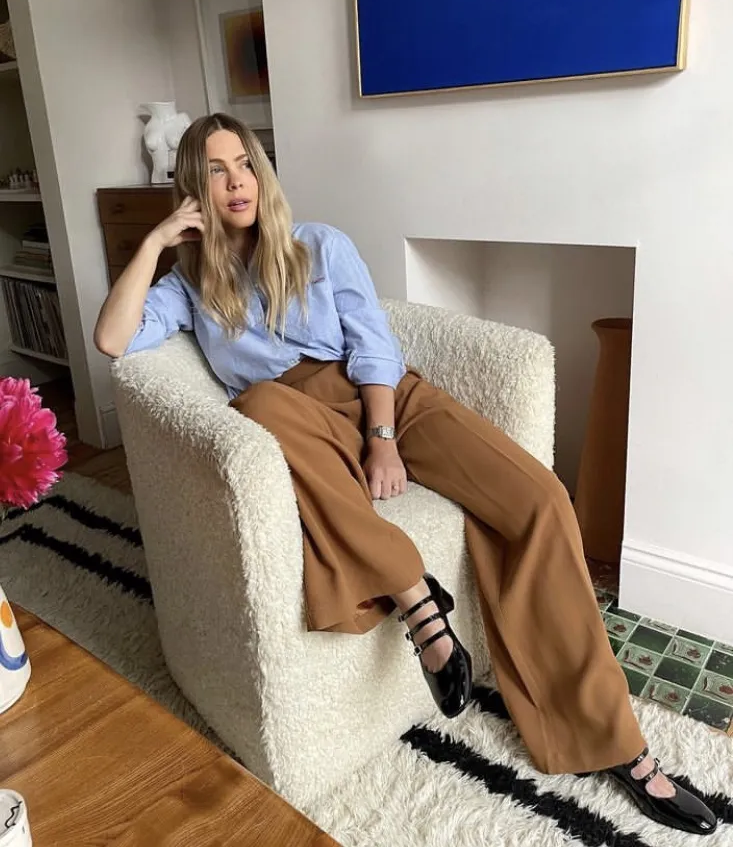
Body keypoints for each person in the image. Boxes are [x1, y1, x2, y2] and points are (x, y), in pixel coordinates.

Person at [94, 113, 716, 837]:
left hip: (386, 400)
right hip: (296, 422)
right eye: (213, 170)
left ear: (263, 173)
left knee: (541, 500)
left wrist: (383, 438)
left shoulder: (317, 245)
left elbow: (374, 346)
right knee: (262, 400)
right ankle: (417, 596)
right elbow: (113, 338)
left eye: (244, 164)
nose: (234, 182)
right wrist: (153, 242)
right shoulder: (189, 287)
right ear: (191, 190)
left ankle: (615, 742)